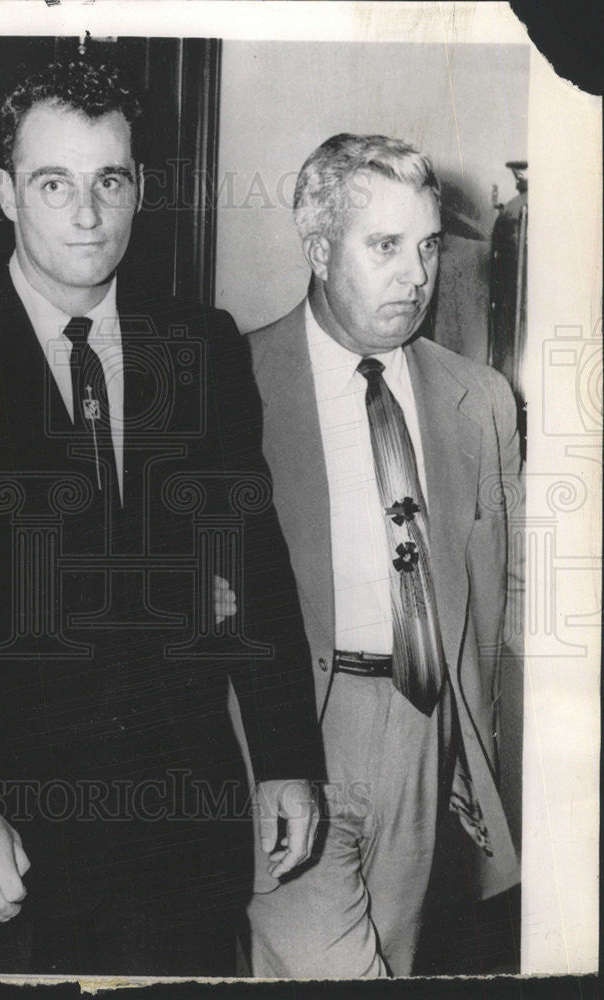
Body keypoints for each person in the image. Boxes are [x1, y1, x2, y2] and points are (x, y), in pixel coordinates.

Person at [0, 60, 324, 976]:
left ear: (138, 188)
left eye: (110, 180)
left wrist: (287, 757)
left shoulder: (202, 346)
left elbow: (251, 565)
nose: (87, 213)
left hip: (177, 833)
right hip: (9, 840)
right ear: (3, 194)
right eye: (52, 183)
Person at [246, 133, 521, 977]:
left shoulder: (478, 398)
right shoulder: (238, 382)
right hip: (293, 735)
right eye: (385, 246)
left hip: (427, 730)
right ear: (319, 246)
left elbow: (508, 597)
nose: (416, 275)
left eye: (428, 245)